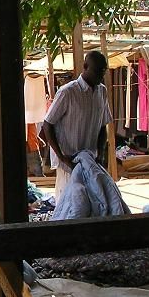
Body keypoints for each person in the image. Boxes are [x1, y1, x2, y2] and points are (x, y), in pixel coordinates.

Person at [42, 51, 111, 201]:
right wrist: (61, 157)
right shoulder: (68, 92)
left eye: (103, 72)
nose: (101, 76)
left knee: (91, 206)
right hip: (70, 163)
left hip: (91, 161)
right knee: (69, 207)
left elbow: (102, 126)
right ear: (85, 67)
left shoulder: (102, 92)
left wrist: (101, 154)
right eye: (97, 71)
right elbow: (48, 124)